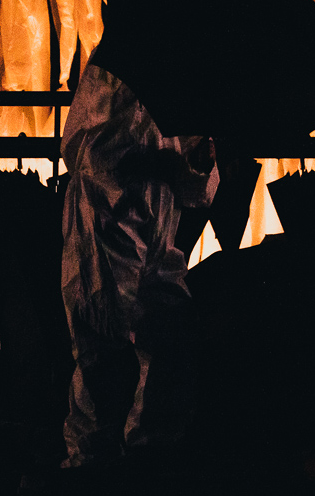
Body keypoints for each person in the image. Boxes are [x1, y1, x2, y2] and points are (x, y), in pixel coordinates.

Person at [58, 60, 218, 470]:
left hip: (157, 228)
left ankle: (149, 455)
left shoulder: (182, 83)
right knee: (102, 344)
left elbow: (196, 187)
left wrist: (199, 162)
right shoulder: (113, 72)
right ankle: (91, 465)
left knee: (170, 335)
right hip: (106, 221)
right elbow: (89, 152)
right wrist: (156, 163)